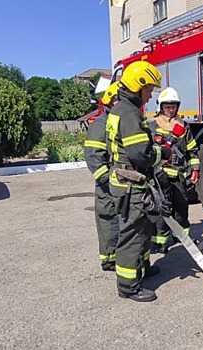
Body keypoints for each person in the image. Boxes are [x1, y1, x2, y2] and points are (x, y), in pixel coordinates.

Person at [105, 61, 172, 302]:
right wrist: (161, 153)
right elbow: (139, 155)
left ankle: (140, 270)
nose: (151, 94)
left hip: (128, 181)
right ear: (138, 85)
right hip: (130, 183)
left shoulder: (122, 109)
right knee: (133, 233)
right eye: (149, 89)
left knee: (142, 229)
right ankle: (128, 285)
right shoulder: (130, 112)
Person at [148, 87, 200, 253]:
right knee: (162, 208)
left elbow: (192, 150)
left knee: (181, 207)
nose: (170, 110)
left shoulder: (183, 126)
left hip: (179, 175)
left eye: (173, 107)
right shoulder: (152, 126)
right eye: (167, 107)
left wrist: (195, 168)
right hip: (159, 176)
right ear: (161, 107)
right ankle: (160, 241)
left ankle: (182, 236)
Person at [84, 82, 120, 272]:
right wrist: (106, 179)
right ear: (108, 102)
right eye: (115, 99)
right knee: (108, 220)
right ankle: (108, 259)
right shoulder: (100, 125)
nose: (118, 103)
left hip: (120, 182)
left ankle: (120, 257)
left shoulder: (121, 121)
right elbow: (93, 156)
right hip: (107, 184)